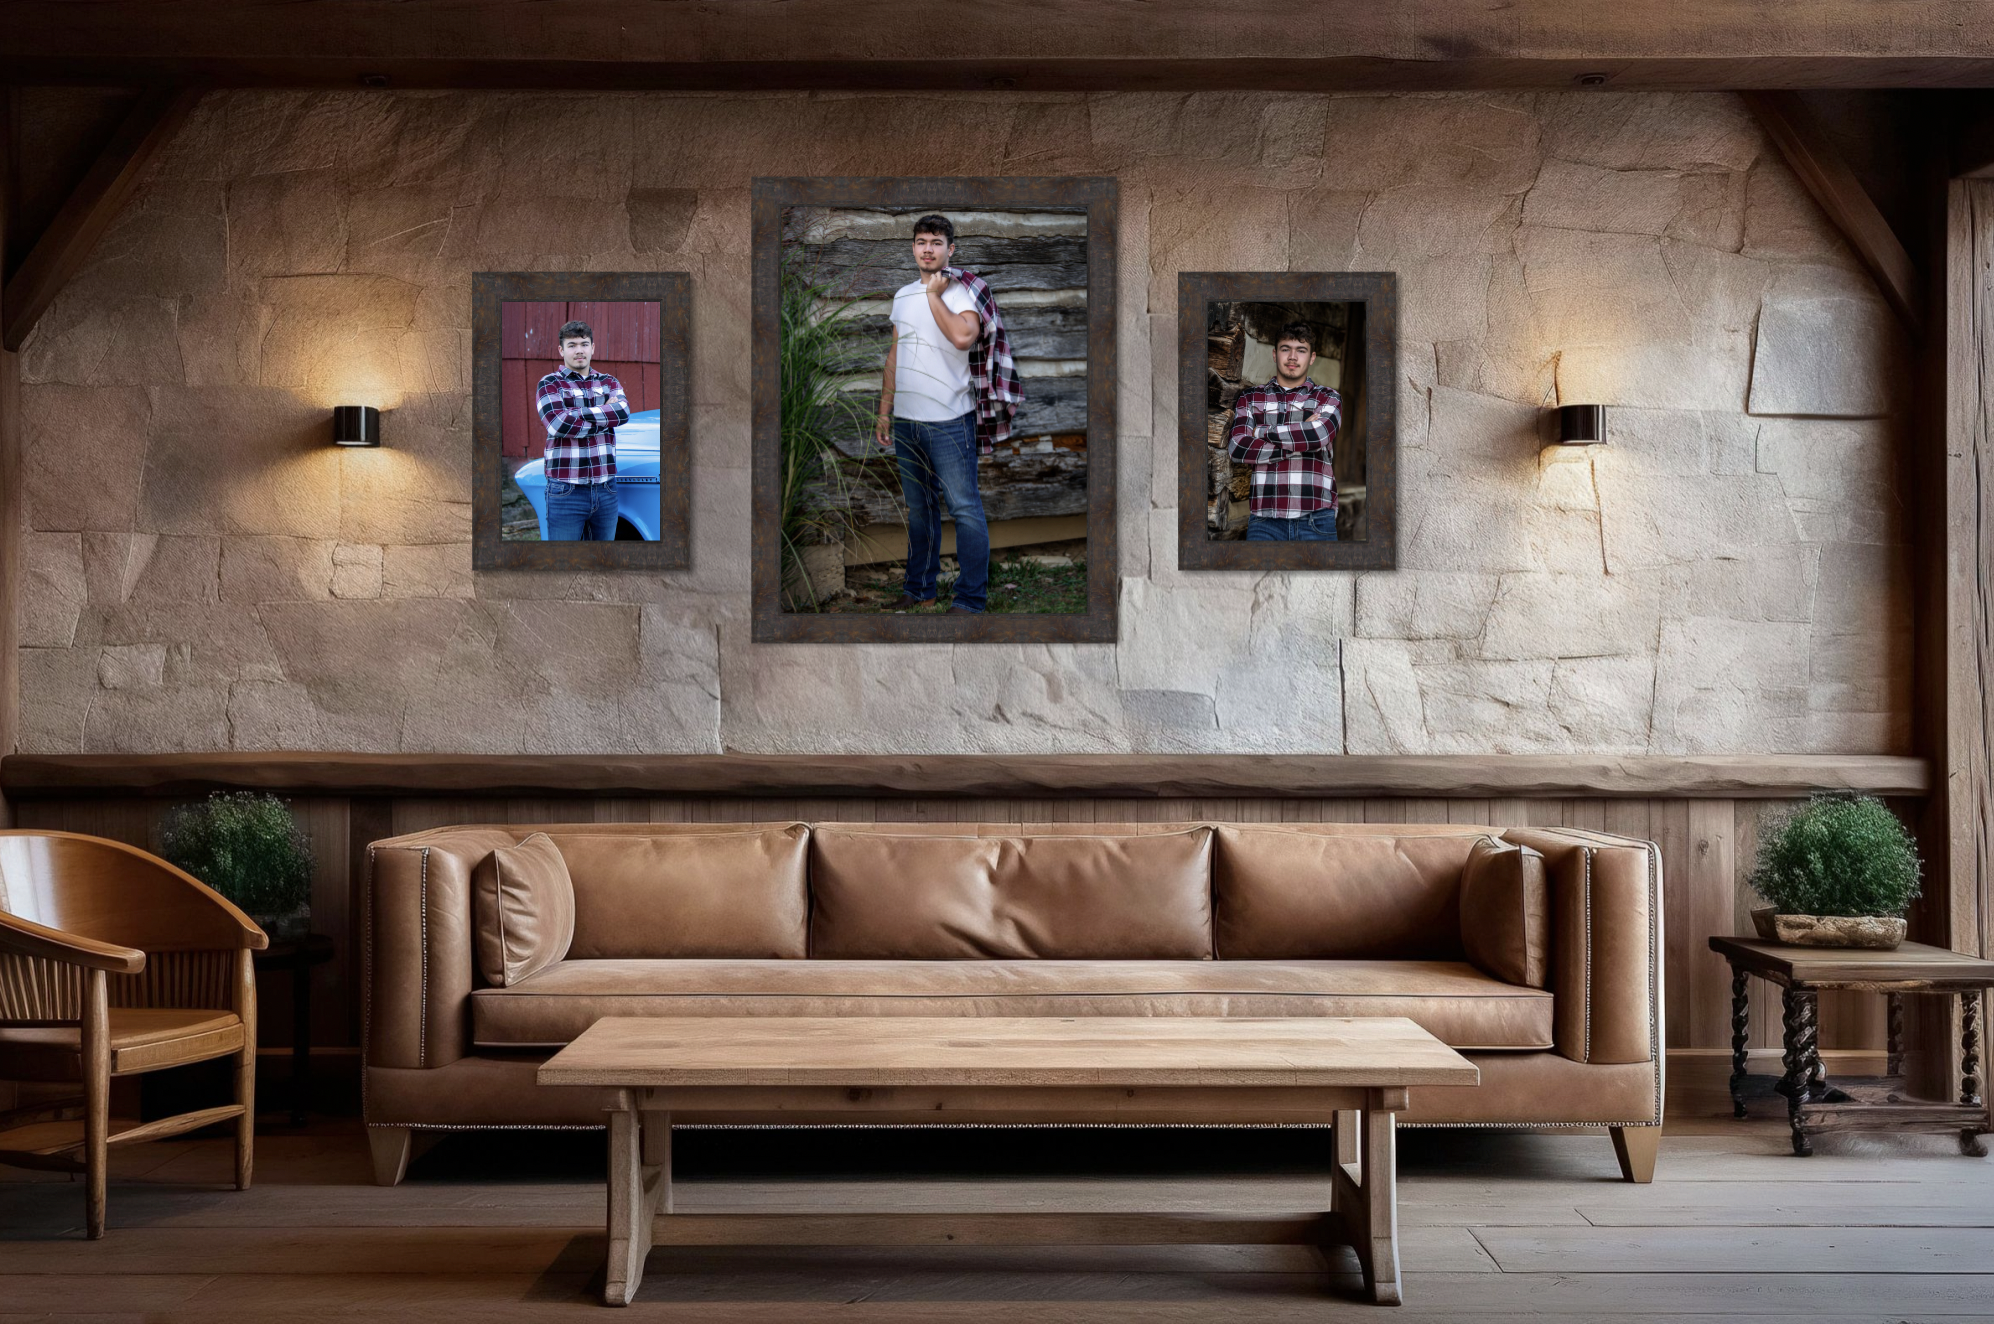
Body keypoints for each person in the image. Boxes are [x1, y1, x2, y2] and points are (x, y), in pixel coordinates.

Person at [872, 213, 1021, 613]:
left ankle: (970, 599)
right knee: (920, 509)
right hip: (907, 420)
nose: (928, 249)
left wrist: (934, 295)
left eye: (936, 242)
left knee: (965, 509)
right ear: (913, 247)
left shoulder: (964, 292)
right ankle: (920, 589)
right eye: (921, 241)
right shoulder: (903, 296)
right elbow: (895, 355)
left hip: (952, 421)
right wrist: (885, 411)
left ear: (950, 249)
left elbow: (960, 337)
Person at [1224, 321, 1341, 541]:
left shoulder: (1328, 397)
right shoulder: (1251, 398)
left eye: (1301, 350)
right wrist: (1302, 443)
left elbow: (1318, 435)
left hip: (1316, 520)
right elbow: (1238, 447)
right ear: (1274, 354)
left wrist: (1260, 433)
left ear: (1312, 357)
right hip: (1265, 522)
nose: (1293, 357)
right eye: (1286, 349)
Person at [535, 319, 630, 541]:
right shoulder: (550, 384)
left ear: (593, 347)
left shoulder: (608, 382)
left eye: (584, 344)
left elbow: (623, 413)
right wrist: (605, 412)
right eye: (572, 345)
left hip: (606, 489)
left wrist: (576, 413)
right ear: (561, 350)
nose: (579, 350)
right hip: (566, 490)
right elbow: (557, 424)